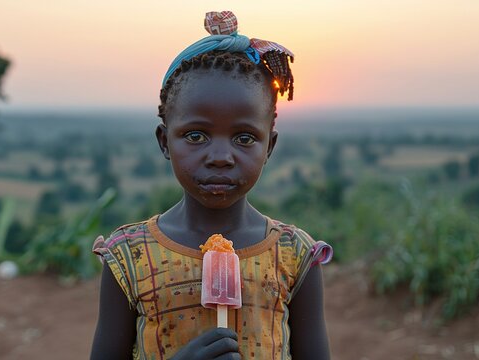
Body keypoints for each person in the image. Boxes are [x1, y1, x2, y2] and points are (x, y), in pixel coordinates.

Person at [90, 11, 333, 360]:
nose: (220, 156)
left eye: (245, 137)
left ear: (270, 147)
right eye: (195, 135)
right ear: (164, 142)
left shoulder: (295, 257)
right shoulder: (129, 257)